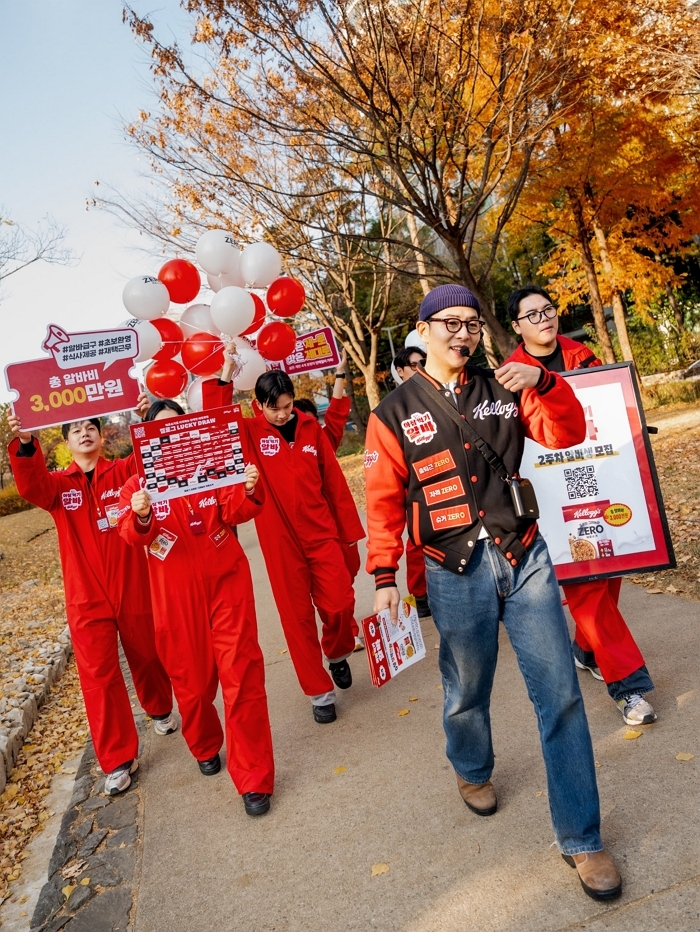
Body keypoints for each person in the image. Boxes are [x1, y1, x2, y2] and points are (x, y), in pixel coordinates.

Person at [364, 283, 622, 902]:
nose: (463, 333)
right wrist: (382, 579)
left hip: (522, 554)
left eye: (472, 323)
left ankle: (582, 838)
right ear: (422, 332)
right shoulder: (391, 414)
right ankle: (471, 766)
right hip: (454, 572)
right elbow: (381, 505)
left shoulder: (506, 386)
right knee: (467, 689)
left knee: (559, 693)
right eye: (449, 323)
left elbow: (567, 435)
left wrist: (545, 382)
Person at [506, 284, 657, 726]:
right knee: (588, 589)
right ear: (516, 326)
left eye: (548, 310)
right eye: (531, 315)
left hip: (601, 486)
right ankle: (628, 687)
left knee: (609, 577)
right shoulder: (511, 376)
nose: (544, 319)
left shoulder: (583, 356)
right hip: (557, 502)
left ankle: (585, 650)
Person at [118, 399, 275, 816]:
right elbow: (130, 534)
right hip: (175, 593)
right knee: (192, 683)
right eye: (159, 431)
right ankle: (205, 743)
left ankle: (254, 778)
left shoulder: (211, 467)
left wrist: (247, 488)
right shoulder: (136, 488)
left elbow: (236, 508)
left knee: (241, 673)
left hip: (226, 581)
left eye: (177, 427)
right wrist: (142, 516)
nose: (170, 437)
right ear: (145, 438)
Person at [7, 413, 175, 796]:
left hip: (131, 585)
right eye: (76, 430)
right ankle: (117, 759)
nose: (85, 433)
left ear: (102, 436)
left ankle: (160, 707)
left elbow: (152, 458)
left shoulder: (122, 473)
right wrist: (28, 443)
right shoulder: (56, 486)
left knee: (147, 654)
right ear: (66, 442)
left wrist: (146, 414)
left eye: (91, 428)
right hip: (86, 597)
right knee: (99, 676)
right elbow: (30, 483)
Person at [234, 367, 363, 725]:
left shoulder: (309, 427)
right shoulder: (248, 432)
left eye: (288, 406)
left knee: (340, 602)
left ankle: (336, 653)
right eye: (274, 408)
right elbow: (214, 420)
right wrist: (224, 374)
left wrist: (347, 530)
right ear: (257, 405)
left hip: (321, 533)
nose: (283, 414)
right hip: (280, 542)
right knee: (297, 618)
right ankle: (319, 692)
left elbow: (334, 482)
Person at [293, 351, 365, 652]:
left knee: (344, 579)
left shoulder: (323, 437)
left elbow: (335, 413)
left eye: (307, 419)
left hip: (337, 523)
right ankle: (345, 632)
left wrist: (339, 373)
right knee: (328, 588)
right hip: (306, 531)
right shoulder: (278, 453)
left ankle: (341, 625)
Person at [392, 346, 430, 617]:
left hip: (443, 472)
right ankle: (420, 593)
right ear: (401, 371)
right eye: (413, 365)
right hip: (411, 480)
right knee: (417, 537)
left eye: (423, 362)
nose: (420, 368)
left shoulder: (438, 392)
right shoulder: (395, 406)